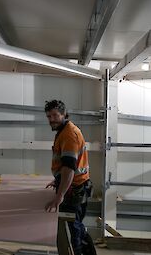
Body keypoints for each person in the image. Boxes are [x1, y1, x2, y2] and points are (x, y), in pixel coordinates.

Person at [44, 100, 96, 255]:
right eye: (48, 116)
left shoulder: (68, 134)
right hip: (75, 186)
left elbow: (69, 167)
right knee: (75, 226)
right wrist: (58, 179)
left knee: (74, 231)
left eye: (55, 115)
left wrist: (59, 196)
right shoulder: (64, 130)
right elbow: (65, 165)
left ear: (64, 114)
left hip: (75, 190)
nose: (51, 119)